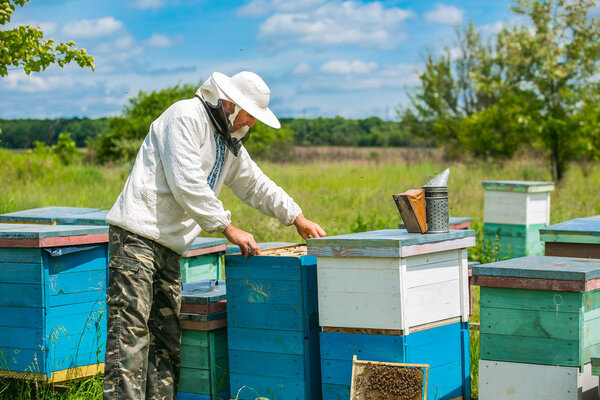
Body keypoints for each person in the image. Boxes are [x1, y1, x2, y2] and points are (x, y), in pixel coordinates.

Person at [102, 71, 326, 399]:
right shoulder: (184, 117)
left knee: (165, 342)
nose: (252, 123)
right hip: (137, 237)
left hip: (169, 246)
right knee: (129, 337)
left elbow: (255, 183)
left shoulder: (227, 140)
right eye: (250, 114)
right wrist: (228, 227)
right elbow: (187, 182)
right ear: (231, 105)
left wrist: (296, 217)